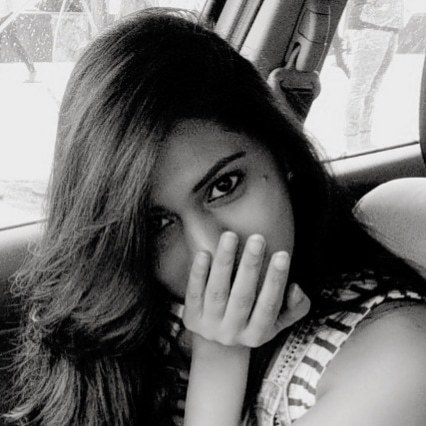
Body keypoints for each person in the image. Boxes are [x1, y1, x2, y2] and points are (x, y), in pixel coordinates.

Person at [3, 8, 426, 426]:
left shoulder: (399, 360)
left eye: (224, 186)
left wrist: (219, 357)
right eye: (156, 224)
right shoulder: (132, 312)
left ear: (281, 154)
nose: (210, 247)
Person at [344, 0, 404, 152]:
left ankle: (364, 141)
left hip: (390, 26)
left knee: (371, 90)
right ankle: (352, 145)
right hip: (369, 25)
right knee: (360, 88)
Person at [0, 0, 37, 82]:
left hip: (7, 16)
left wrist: (10, 14)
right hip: (5, 15)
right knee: (15, 44)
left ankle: (32, 70)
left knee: (15, 44)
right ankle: (32, 70)